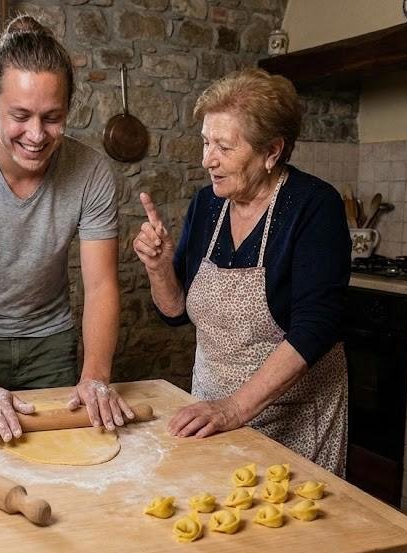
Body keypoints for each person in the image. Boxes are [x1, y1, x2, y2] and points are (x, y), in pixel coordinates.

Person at [0, 15, 133, 444]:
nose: (36, 135)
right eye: (20, 115)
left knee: (63, 461)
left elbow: (102, 286)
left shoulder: (91, 171)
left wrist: (95, 377)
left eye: (52, 117)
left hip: (50, 345)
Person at [133, 68, 351, 474]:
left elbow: (316, 327)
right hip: (213, 414)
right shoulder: (207, 204)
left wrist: (235, 407)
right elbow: (176, 311)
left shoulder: (313, 207)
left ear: (272, 152)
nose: (207, 160)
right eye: (205, 143)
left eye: (224, 147)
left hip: (293, 419)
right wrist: (160, 268)